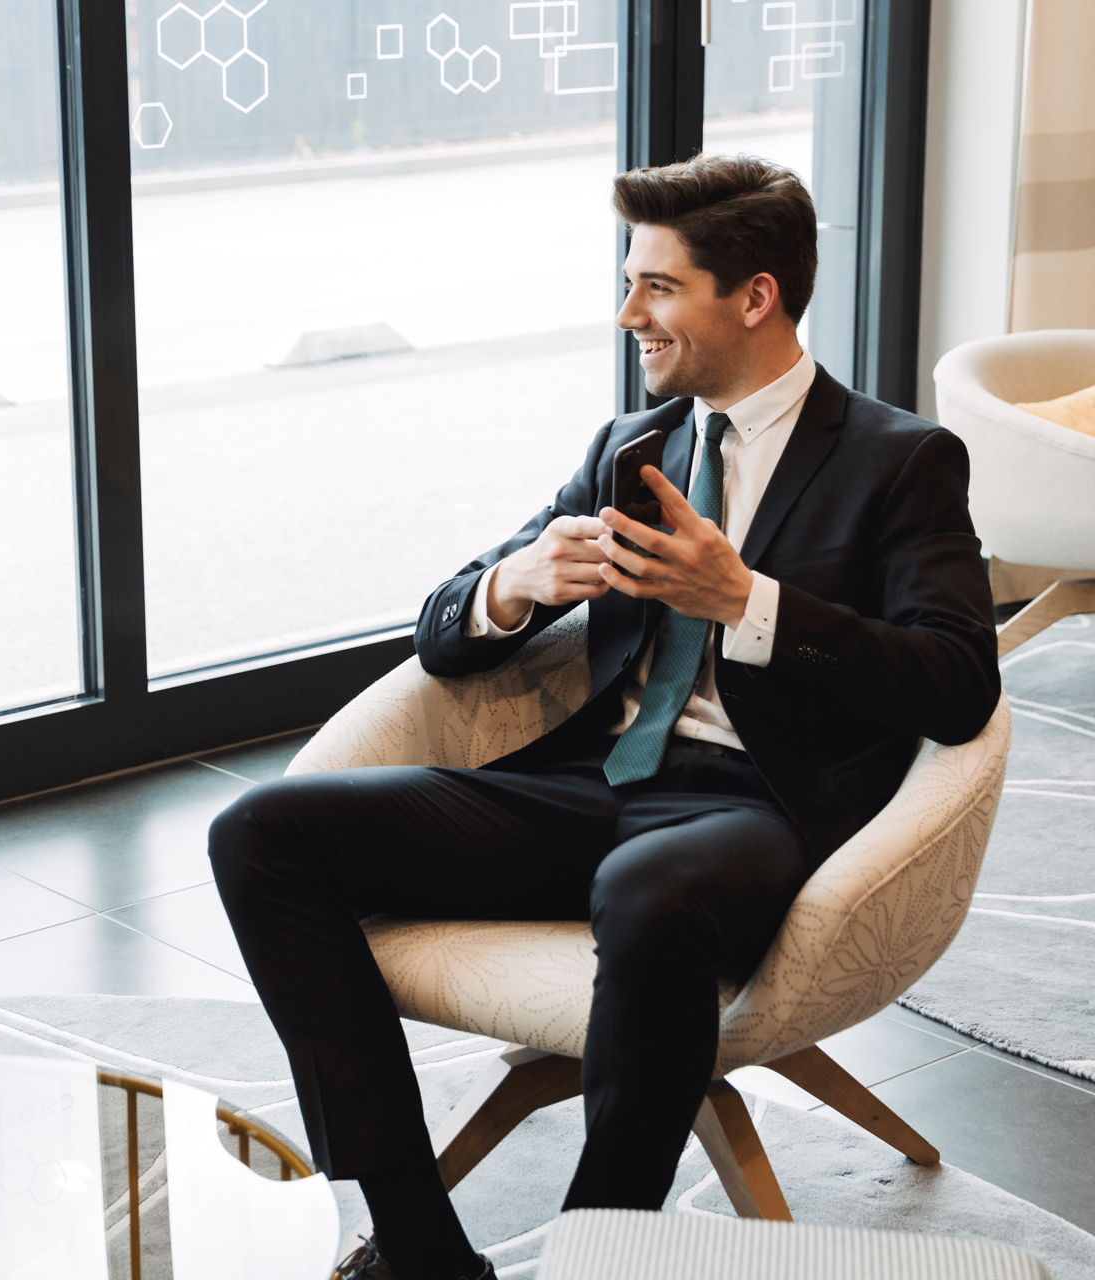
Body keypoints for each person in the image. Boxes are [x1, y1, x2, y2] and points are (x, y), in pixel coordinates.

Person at [209, 155, 1000, 1280]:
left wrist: (753, 603)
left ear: (756, 296)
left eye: (658, 287)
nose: (631, 313)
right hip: (596, 783)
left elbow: (960, 677)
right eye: (631, 283)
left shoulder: (900, 459)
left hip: (756, 805)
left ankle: (601, 1252)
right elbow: (441, 629)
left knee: (646, 893)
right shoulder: (632, 445)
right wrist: (519, 581)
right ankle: (421, 1246)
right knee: (260, 833)